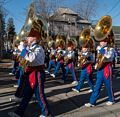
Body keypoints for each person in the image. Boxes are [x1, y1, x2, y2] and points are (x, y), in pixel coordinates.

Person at [8, 28, 51, 117]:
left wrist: (23, 48)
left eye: (29, 36)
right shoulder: (31, 47)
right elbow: (25, 57)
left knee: (40, 95)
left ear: (34, 38)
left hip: (37, 74)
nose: (27, 38)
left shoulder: (39, 48)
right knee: (27, 95)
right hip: (31, 74)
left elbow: (31, 58)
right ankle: (18, 113)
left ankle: (47, 114)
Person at [85, 38, 115, 107]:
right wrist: (96, 64)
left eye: (103, 41)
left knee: (108, 86)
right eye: (101, 41)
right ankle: (92, 102)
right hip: (100, 69)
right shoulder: (99, 48)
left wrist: (101, 50)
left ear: (106, 42)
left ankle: (111, 99)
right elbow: (98, 58)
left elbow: (109, 56)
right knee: (97, 86)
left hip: (107, 69)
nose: (101, 42)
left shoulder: (110, 49)